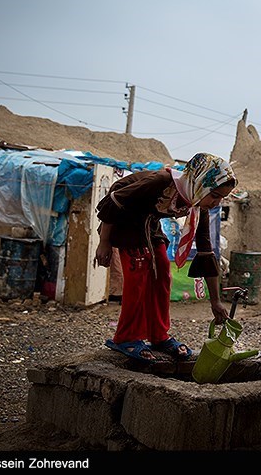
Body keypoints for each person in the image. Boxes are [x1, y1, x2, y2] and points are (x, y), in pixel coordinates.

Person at [94, 153, 237, 364]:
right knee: (139, 271)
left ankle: (159, 336)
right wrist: (104, 242)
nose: (217, 203)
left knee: (162, 272)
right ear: (200, 183)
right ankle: (126, 337)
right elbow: (114, 201)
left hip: (148, 222)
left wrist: (215, 301)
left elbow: (206, 251)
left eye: (221, 198)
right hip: (125, 219)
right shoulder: (161, 181)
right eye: (214, 195)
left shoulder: (197, 204)